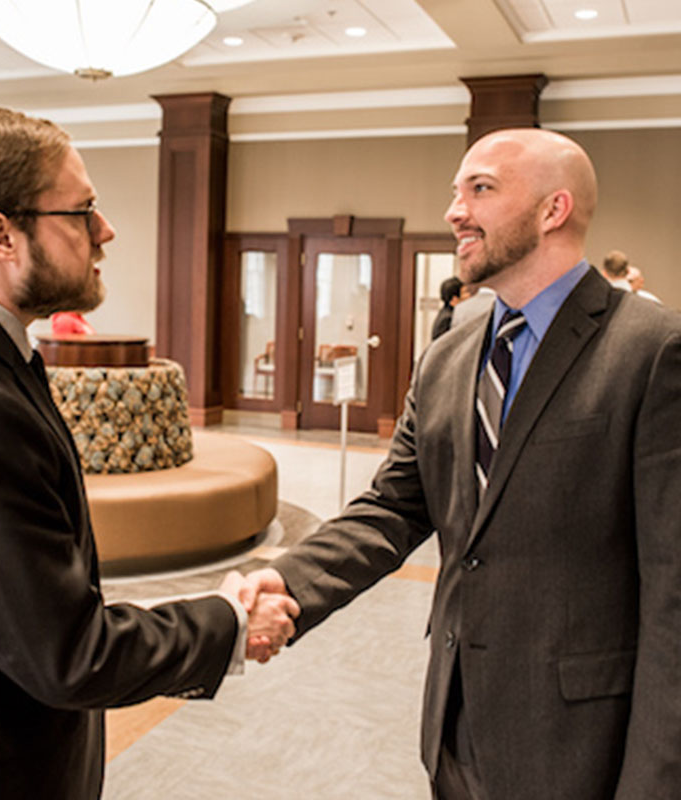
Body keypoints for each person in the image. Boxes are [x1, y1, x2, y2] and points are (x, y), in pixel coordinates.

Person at [236, 127, 681, 799]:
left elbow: (673, 593)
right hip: (455, 724)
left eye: (481, 189)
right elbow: (394, 505)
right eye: (455, 190)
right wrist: (287, 581)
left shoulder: (652, 352)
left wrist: (654, 783)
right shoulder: (450, 351)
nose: (454, 211)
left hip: (583, 744)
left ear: (552, 210)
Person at [0, 107, 298, 799]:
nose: (106, 231)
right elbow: (70, 654)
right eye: (83, 211)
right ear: (1, 235)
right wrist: (227, 619)